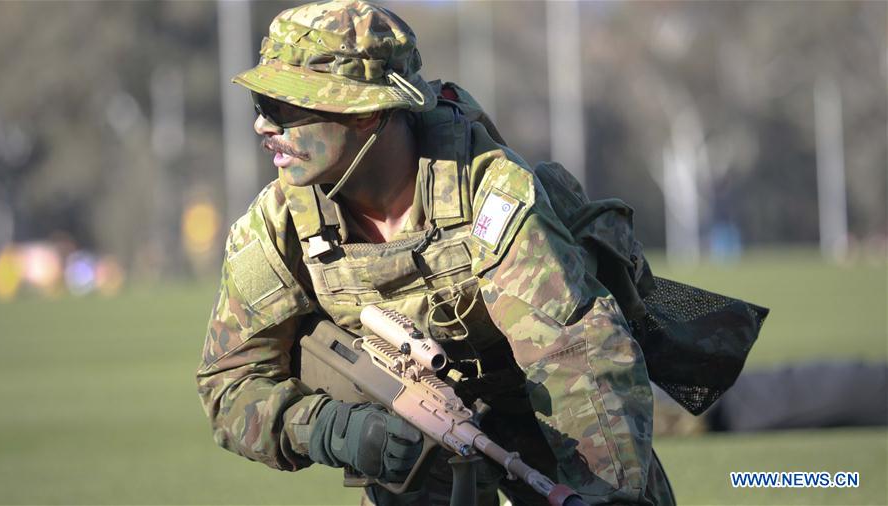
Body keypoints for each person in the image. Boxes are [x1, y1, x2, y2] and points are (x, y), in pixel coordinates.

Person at [197, 1, 713, 504]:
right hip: (419, 463)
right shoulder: (275, 224)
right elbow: (231, 382)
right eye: (260, 105)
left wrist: (606, 492)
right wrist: (329, 428)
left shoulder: (491, 193)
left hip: (555, 439)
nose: (263, 126)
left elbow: (574, 352)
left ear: (363, 114)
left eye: (284, 108)